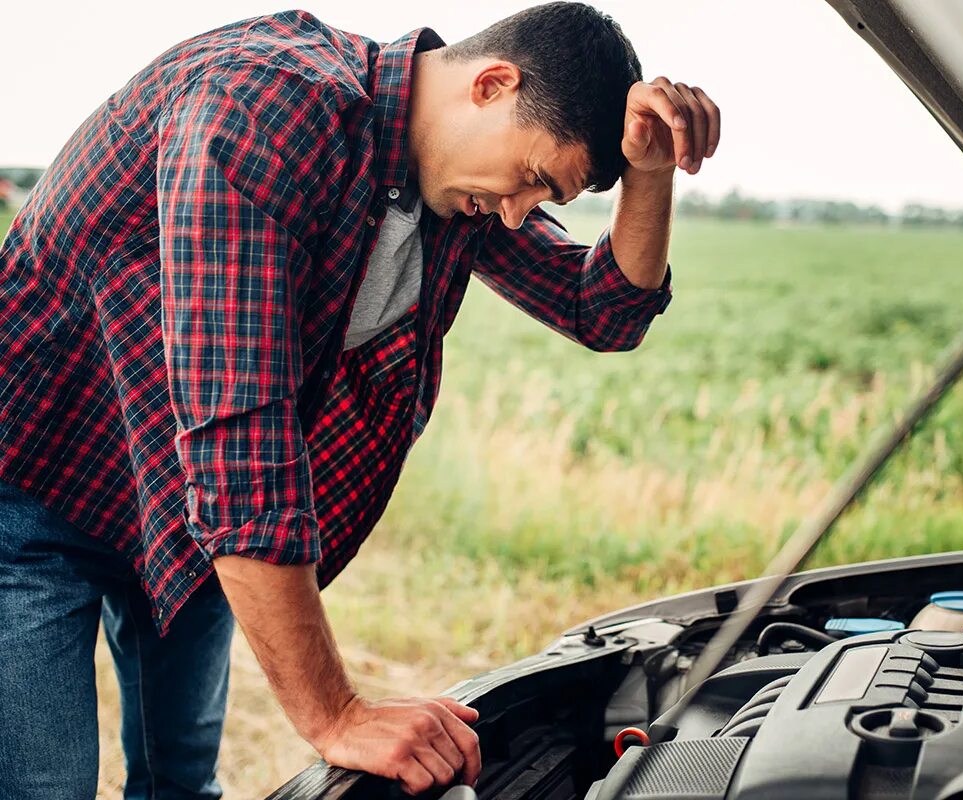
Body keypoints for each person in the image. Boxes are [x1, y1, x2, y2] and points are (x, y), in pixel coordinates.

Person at [0, 3, 720, 797]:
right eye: (534, 180)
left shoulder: (455, 178)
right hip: (36, 481)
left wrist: (652, 171)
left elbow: (605, 311)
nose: (522, 211)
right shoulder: (264, 106)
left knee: (182, 782)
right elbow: (240, 440)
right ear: (492, 84)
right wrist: (336, 713)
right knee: (43, 786)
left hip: (177, 500)